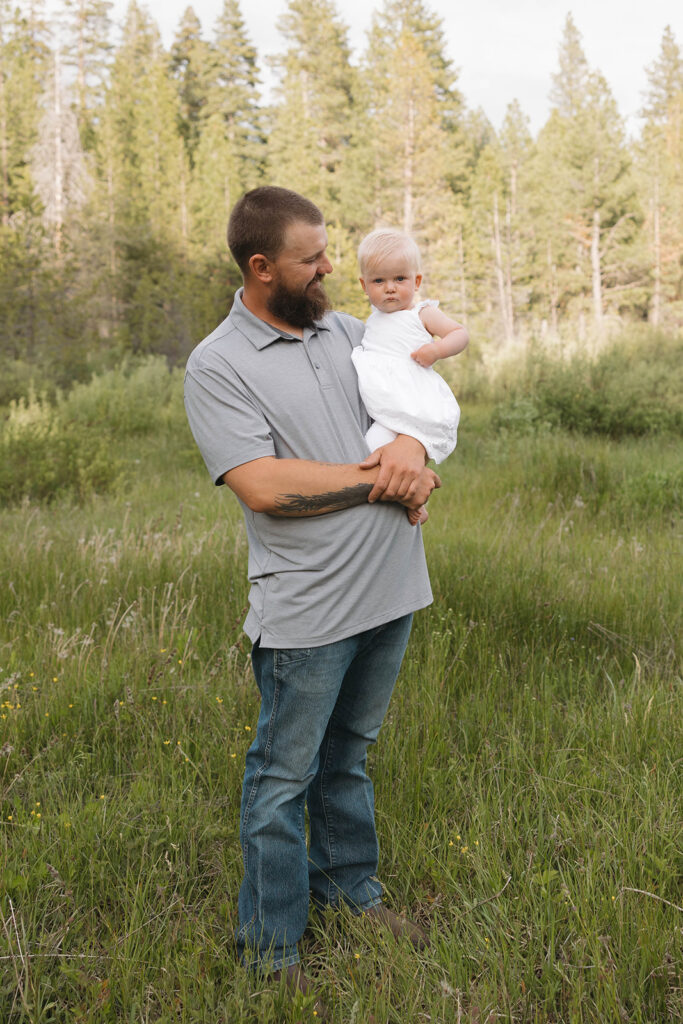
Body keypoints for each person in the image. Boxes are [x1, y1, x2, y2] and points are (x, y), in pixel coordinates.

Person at [183, 187, 440, 1017]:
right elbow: (261, 486)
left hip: (390, 587)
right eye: (311, 258)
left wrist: (410, 450)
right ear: (261, 269)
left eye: (327, 251)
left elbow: (408, 404)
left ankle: (352, 898)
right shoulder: (218, 363)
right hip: (307, 610)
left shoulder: (347, 330)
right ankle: (271, 950)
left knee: (349, 757)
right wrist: (378, 478)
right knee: (281, 779)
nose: (333, 269)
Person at [353, 228, 468, 511]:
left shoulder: (421, 314)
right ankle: (412, 495)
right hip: (384, 408)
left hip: (413, 399)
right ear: (364, 285)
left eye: (399, 279)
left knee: (396, 453)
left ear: (416, 281)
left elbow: (460, 333)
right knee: (369, 451)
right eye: (379, 280)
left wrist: (437, 350)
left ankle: (416, 500)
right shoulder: (371, 321)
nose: (390, 287)